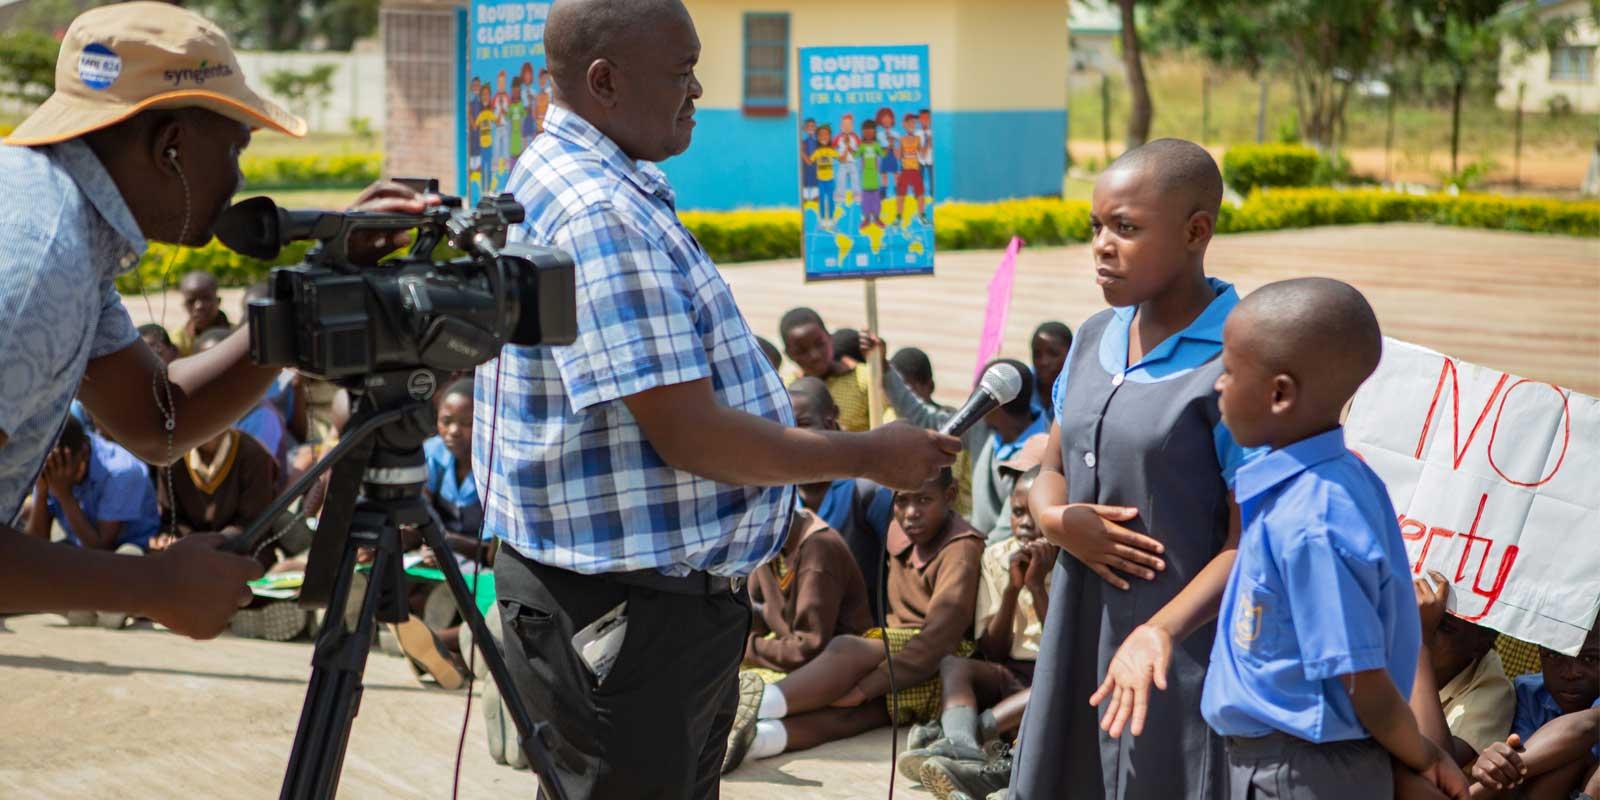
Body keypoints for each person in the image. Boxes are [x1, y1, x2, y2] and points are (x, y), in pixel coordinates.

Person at [483, 1, 958, 796]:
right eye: (681, 71)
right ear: (604, 81)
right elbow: (693, 437)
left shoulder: (594, 181)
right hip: (628, 615)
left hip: (632, 605)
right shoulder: (599, 211)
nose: (698, 88)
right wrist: (870, 455)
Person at [0, 1, 436, 639]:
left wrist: (309, 292)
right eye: (235, 150)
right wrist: (150, 587)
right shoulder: (40, 259)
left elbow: (157, 419)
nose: (237, 180)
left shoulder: (62, 227)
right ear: (171, 146)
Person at [1008, 139, 1259, 799]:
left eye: (1125, 227)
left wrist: (1159, 631)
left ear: (1195, 231)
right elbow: (1050, 467)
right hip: (1077, 629)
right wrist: (1060, 522)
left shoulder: (1239, 361)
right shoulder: (1094, 336)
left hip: (1174, 653)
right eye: (1096, 227)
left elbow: (1250, 540)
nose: (1102, 245)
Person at [1192, 277, 1470, 800]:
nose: (1217, 386)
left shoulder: (1312, 519)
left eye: (1229, 371)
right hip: (1287, 762)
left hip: (1298, 772)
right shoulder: (1331, 482)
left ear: (1279, 393)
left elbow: (1361, 680)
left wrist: (1422, 755)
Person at [724, 469, 984, 772]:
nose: (911, 513)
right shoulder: (899, 533)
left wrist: (865, 688)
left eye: (924, 500)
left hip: (943, 658)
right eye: (901, 501)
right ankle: (753, 742)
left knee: (849, 651)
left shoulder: (960, 548)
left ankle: (758, 704)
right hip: (901, 658)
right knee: (853, 716)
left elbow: (939, 640)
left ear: (950, 496)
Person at [903, 464, 1053, 790]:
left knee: (1050, 687)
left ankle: (967, 734)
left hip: (1051, 675)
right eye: (1017, 512)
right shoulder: (996, 557)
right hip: (1010, 672)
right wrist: (1013, 589)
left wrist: (1038, 587)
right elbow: (994, 650)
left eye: (1035, 514)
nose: (1025, 523)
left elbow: (1061, 650)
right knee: (953, 664)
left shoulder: (1072, 563)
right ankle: (960, 742)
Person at [788, 378, 894, 618]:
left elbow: (899, 561)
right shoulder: (781, 491)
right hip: (800, 629)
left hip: (859, 633)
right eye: (785, 425)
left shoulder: (865, 490)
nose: (793, 434)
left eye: (803, 423)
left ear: (828, 422)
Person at [1467, 621, 1600, 799]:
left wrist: (1473, 793)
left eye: (1589, 660)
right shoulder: (1528, 693)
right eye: (1554, 655)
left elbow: (1585, 728)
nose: (1570, 673)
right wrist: (1496, 764)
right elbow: (1521, 771)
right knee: (1563, 758)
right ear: (1540, 653)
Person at [743, 505, 873, 672]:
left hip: (835, 667)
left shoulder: (818, 552)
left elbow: (807, 650)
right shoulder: (767, 543)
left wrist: (746, 647)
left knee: (756, 696)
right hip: (792, 656)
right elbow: (752, 615)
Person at [1412, 570, 1516, 764]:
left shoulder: (1493, 690)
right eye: (1418, 617)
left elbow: (1438, 763)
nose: (1425, 627)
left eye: (1444, 627)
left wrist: (1421, 641)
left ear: (1481, 645)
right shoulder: (1392, 642)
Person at [25, 415, 162, 555]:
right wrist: (41, 491)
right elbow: (35, 546)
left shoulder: (120, 472)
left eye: (61, 469)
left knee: (128, 553)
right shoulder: (51, 464)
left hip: (127, 547)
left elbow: (100, 549)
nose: (54, 476)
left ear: (83, 454)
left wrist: (64, 494)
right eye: (48, 470)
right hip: (80, 544)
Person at [780, 307, 884, 433]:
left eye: (819, 344)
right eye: (802, 351)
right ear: (788, 354)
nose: (815, 355)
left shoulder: (865, 378)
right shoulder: (786, 390)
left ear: (830, 338)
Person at [171, 270, 231, 357]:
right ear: (184, 305)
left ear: (218, 301)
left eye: (206, 298)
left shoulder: (235, 334)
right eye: (191, 301)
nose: (199, 306)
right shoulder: (178, 342)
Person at [1030, 321, 1072, 421]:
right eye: (1037, 354)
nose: (1043, 362)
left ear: (1070, 354)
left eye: (1053, 354)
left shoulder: (1078, 390)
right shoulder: (1022, 387)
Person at [896, 113, 929, 225]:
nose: (912, 124)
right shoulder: (902, 139)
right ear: (904, 124)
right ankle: (899, 217)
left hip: (915, 170)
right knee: (901, 195)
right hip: (905, 170)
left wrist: (928, 143)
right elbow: (899, 156)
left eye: (913, 123)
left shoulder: (917, 139)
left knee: (920, 194)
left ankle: (922, 216)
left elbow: (922, 155)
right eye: (909, 122)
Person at [857, 119, 886, 230]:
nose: (868, 134)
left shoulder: (876, 145)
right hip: (865, 178)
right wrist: (848, 147)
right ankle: (867, 219)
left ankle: (877, 218)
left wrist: (888, 147)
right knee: (866, 200)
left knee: (876, 199)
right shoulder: (862, 146)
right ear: (863, 133)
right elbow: (855, 155)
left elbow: (883, 154)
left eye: (871, 132)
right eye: (866, 132)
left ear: (874, 133)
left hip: (875, 177)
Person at [810, 123, 840, 228]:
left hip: (830, 180)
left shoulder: (831, 151)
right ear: (817, 137)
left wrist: (846, 147)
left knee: (831, 200)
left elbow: (841, 158)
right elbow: (810, 161)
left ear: (829, 136)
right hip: (820, 180)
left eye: (826, 134)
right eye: (821, 135)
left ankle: (831, 218)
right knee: (822, 199)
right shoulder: (817, 151)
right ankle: (822, 219)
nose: (823, 137)